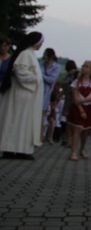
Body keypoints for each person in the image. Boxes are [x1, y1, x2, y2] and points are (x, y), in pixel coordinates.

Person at [0, 32, 45, 160]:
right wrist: (36, 79)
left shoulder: (29, 54)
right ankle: (12, 149)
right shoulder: (26, 54)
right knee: (17, 121)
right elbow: (20, 72)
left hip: (26, 96)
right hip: (22, 95)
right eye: (41, 42)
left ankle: (21, 149)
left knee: (22, 122)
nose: (42, 44)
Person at [66, 60, 91, 161]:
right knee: (77, 129)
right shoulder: (76, 82)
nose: (84, 68)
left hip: (89, 107)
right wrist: (81, 109)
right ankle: (73, 151)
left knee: (85, 130)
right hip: (78, 108)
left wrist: (83, 100)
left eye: (87, 66)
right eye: (83, 66)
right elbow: (75, 98)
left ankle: (82, 149)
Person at [40, 48, 61, 144]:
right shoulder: (41, 64)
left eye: (46, 54)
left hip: (47, 95)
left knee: (45, 117)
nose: (44, 56)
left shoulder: (56, 67)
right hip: (38, 91)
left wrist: (41, 76)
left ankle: (42, 137)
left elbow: (51, 80)